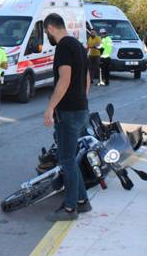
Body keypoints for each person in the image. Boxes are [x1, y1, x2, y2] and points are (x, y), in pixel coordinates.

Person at [42, 13, 92, 221]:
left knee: (66, 160)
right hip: (81, 110)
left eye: (46, 33)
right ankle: (82, 200)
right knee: (71, 159)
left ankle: (70, 208)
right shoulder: (79, 45)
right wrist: (81, 100)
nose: (48, 37)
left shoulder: (63, 47)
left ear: (51, 29)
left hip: (68, 113)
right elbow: (87, 79)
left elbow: (64, 80)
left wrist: (50, 108)